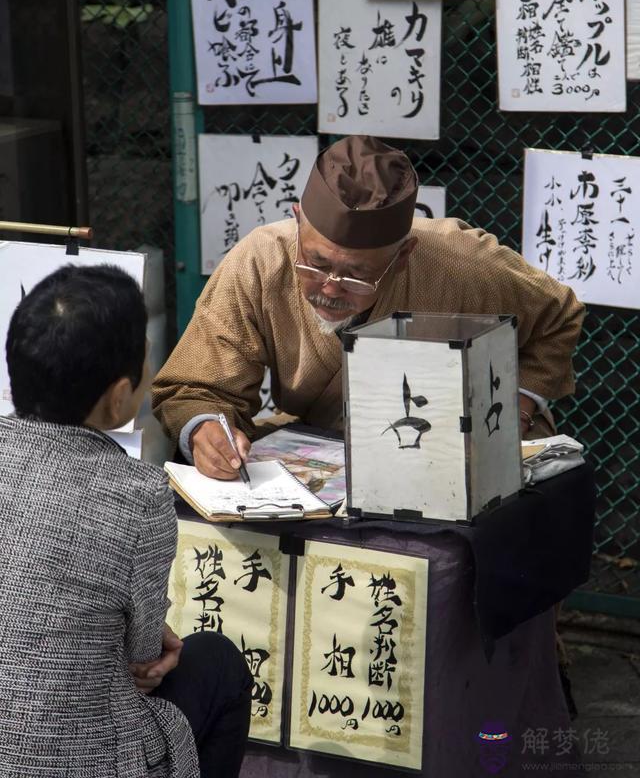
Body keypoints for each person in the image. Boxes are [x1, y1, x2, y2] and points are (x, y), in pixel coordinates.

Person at [152, 135, 585, 481]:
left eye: (358, 274)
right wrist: (206, 429)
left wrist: (518, 406)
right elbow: (197, 386)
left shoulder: (462, 264)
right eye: (315, 263)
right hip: (319, 447)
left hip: (453, 444)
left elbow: (560, 314)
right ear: (297, 219)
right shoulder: (260, 260)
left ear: (403, 254)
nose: (330, 288)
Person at [0, 265, 252, 778]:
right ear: (118, 396)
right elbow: (142, 659)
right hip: (83, 758)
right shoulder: (136, 495)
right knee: (218, 662)